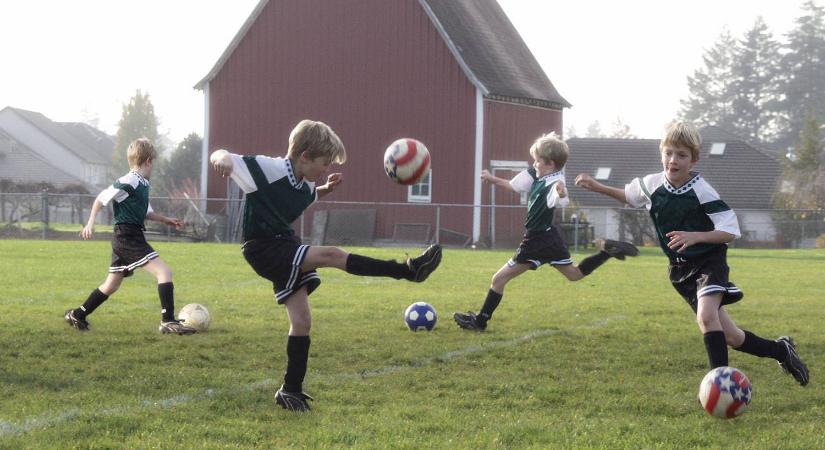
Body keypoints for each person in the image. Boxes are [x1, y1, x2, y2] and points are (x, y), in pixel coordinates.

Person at [209, 119, 442, 412]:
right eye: (324, 162)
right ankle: (408, 270)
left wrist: (323, 190)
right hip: (263, 249)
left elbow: (303, 195)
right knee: (331, 254)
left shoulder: (305, 183)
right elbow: (223, 155)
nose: (327, 168)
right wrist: (221, 161)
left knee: (302, 322)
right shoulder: (269, 169)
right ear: (304, 156)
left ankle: (290, 390)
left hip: (284, 243)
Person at [574, 121, 809, 385]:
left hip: (709, 261)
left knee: (706, 317)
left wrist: (696, 236)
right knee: (731, 337)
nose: (673, 160)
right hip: (680, 270)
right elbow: (629, 196)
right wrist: (597, 187)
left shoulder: (701, 190)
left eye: (681, 155)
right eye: (669, 153)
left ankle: (720, 385)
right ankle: (782, 351)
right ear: (662, 153)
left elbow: (730, 230)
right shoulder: (651, 184)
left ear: (693, 160)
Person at [453, 132, 638, 332]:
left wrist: (561, 193)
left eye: (537, 161)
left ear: (550, 163)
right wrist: (492, 178)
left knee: (498, 279)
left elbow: (559, 196)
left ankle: (480, 322)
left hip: (536, 240)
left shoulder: (553, 182)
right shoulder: (540, 175)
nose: (534, 165)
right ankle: (606, 252)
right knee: (574, 274)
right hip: (550, 237)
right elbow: (515, 186)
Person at [65, 138, 196, 335]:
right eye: (154, 162)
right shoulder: (130, 180)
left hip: (128, 235)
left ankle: (78, 314)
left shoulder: (142, 183)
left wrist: (167, 220)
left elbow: (146, 212)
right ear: (149, 161)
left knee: (111, 284)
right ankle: (167, 321)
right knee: (164, 273)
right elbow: (101, 198)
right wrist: (90, 222)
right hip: (127, 236)